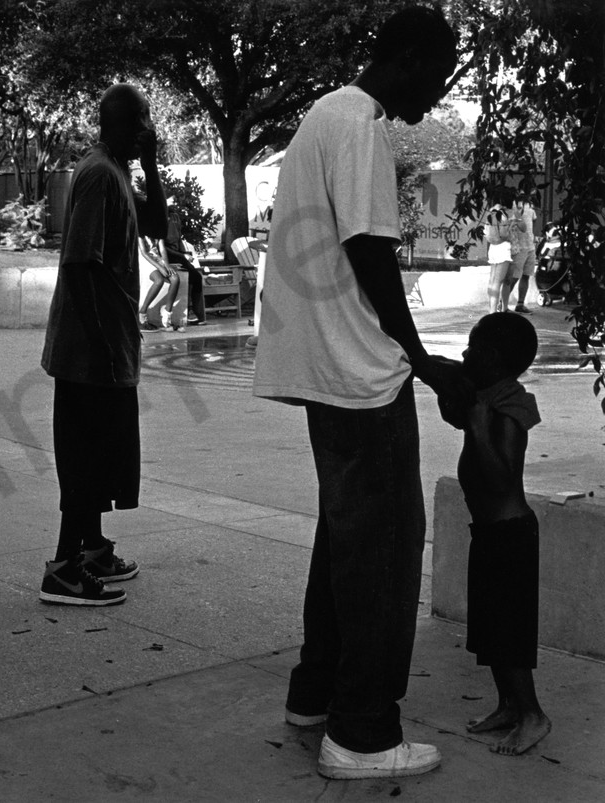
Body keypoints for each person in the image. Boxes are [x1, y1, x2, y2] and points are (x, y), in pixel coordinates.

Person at [252, 6, 472, 779]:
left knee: (347, 537)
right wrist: (422, 360)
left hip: (331, 371)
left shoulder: (324, 115)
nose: (436, 96)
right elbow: (371, 253)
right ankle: (364, 732)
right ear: (407, 58)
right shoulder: (361, 124)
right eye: (437, 75)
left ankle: (316, 691)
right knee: (384, 547)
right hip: (361, 377)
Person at [39, 83, 167, 606]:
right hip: (89, 350)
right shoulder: (97, 175)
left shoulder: (116, 171)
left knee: (102, 453)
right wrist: (101, 346)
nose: (147, 129)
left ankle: (91, 548)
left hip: (106, 343)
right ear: (116, 123)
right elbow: (78, 263)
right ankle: (64, 569)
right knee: (86, 458)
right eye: (141, 120)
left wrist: (152, 165)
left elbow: (156, 224)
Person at [440, 312, 551, 756]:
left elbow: (503, 478)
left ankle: (533, 714)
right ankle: (508, 706)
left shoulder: (506, 413)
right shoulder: (486, 397)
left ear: (492, 358)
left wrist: (480, 430)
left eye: (472, 348)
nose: (465, 354)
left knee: (509, 634)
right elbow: (448, 387)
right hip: (489, 532)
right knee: (490, 628)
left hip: (510, 535)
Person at [160, 199, 206, 325]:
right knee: (191, 277)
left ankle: (197, 312)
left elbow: (179, 238)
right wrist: (182, 255)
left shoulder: (175, 218)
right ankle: (190, 310)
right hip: (167, 255)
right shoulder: (160, 220)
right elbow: (163, 247)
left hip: (178, 254)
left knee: (196, 277)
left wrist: (184, 253)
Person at [138, 235, 185, 332]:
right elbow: (144, 253)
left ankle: (167, 313)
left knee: (175, 278)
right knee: (159, 280)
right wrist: (160, 268)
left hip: (156, 258)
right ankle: (142, 313)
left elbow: (162, 249)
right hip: (144, 259)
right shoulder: (140, 232)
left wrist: (166, 265)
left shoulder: (158, 231)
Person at [485, 188, 516, 313]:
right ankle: (493, 312)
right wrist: (511, 227)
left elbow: (486, 232)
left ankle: (491, 310)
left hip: (493, 247)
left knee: (492, 280)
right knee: (498, 282)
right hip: (503, 248)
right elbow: (504, 234)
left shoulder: (491, 212)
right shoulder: (503, 214)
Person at [508, 193, 538, 314]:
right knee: (514, 276)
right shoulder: (515, 206)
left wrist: (533, 237)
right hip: (519, 247)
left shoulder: (531, 207)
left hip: (530, 246)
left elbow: (534, 221)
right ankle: (502, 303)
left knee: (526, 275)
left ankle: (520, 304)